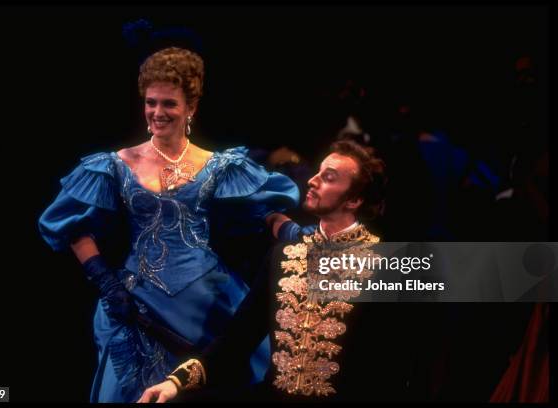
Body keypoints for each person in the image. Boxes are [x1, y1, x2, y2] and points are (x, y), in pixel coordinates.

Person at [38, 47, 300, 403]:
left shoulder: (219, 165)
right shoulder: (117, 164)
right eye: (151, 103)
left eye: (169, 104)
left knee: (217, 375)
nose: (157, 113)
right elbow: (71, 224)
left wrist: (293, 235)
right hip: (135, 298)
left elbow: (264, 212)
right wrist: (103, 279)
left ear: (190, 107)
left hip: (205, 300)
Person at [138, 140, 431, 403]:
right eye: (317, 172)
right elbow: (236, 341)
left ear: (354, 200)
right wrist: (175, 384)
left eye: (328, 178)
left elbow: (400, 367)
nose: (313, 181)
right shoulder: (283, 255)